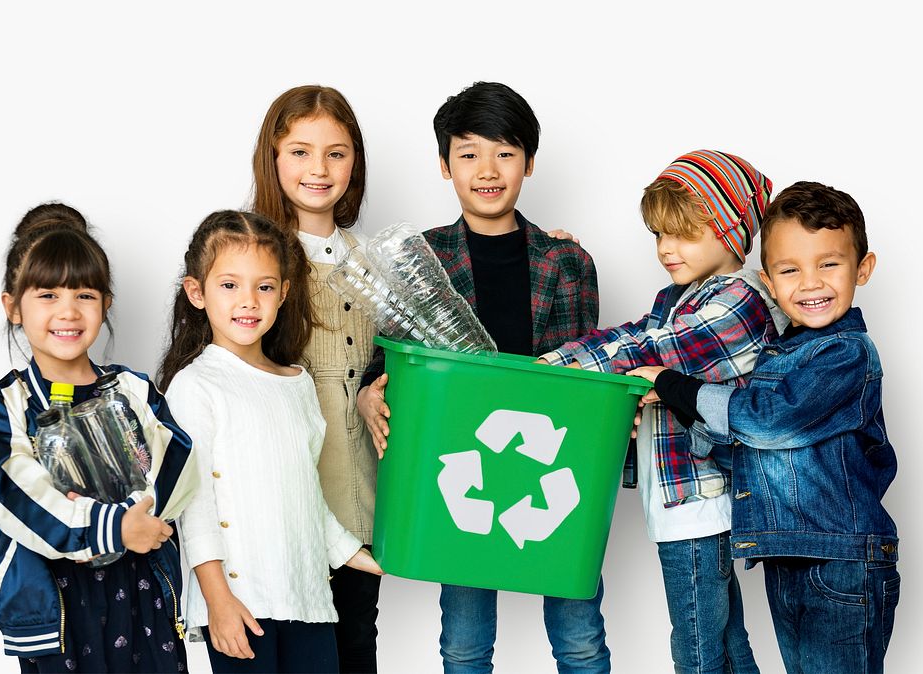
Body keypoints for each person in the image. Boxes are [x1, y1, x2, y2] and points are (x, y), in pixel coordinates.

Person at [358, 81, 606, 673]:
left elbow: (585, 372)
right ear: (445, 166)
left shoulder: (566, 261)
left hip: (550, 461)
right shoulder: (422, 257)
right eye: (468, 153)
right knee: (464, 645)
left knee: (579, 638)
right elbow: (388, 356)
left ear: (529, 162)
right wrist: (370, 392)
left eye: (505, 153)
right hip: (459, 465)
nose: (487, 170)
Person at [629, 181, 900, 673]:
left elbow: (766, 423)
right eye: (790, 270)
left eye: (829, 264)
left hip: (842, 562)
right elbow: (746, 446)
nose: (810, 283)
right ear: (769, 283)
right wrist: (673, 407)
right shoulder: (781, 354)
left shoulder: (845, 354)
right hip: (790, 556)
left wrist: (673, 385)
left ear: (863, 268)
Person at [538, 150, 786, 673]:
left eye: (683, 234)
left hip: (700, 503)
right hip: (680, 502)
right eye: (658, 235)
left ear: (731, 227)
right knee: (727, 640)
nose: (666, 249)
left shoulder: (740, 300)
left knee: (696, 646)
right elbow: (627, 336)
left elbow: (654, 351)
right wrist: (553, 364)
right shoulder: (676, 297)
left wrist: (555, 372)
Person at [158, 209, 383, 674]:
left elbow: (307, 498)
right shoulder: (194, 385)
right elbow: (194, 505)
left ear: (283, 292)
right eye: (229, 285)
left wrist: (370, 559)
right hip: (242, 606)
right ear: (196, 292)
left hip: (309, 599)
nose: (248, 301)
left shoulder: (297, 383)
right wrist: (217, 601)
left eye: (263, 286)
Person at [0, 202, 200, 673]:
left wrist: (139, 516)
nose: (68, 311)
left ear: (106, 304)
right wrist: (112, 527)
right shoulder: (12, 401)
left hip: (142, 589)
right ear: (13, 306)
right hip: (57, 604)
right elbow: (19, 490)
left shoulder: (133, 388)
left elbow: (178, 459)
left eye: (84, 294)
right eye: (47, 295)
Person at [250, 85, 382, 673]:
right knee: (290, 647)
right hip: (284, 492)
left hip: (359, 489)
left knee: (356, 640)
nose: (318, 169)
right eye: (299, 151)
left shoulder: (374, 260)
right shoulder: (251, 258)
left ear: (354, 162)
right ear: (273, 159)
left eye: (336, 152)